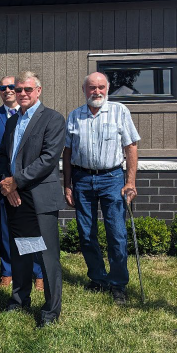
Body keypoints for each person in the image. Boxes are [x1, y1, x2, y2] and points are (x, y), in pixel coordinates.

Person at [63, 72, 139, 305]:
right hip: (82, 179)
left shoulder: (120, 111)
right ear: (84, 90)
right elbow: (67, 152)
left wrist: (130, 182)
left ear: (107, 89)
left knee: (116, 233)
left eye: (101, 87)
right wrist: (67, 184)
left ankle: (118, 284)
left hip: (112, 178)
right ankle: (98, 278)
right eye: (92, 88)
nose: (97, 92)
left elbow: (131, 147)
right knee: (86, 234)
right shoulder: (75, 116)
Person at [0, 71, 65, 327]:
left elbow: (48, 159)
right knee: (23, 251)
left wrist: (17, 180)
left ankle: (50, 310)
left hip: (40, 197)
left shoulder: (52, 118)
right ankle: (20, 299)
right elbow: (5, 156)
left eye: (28, 89)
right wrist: (8, 184)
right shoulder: (13, 121)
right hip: (16, 197)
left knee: (46, 256)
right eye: (19, 89)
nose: (23, 93)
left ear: (38, 90)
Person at [0, 75, 44, 290]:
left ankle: (37, 272)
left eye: (12, 87)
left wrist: (19, 179)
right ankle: (7, 270)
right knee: (6, 228)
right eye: (3, 87)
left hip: (28, 182)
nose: (8, 90)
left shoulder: (34, 117)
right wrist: (6, 177)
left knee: (31, 228)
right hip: (2, 180)